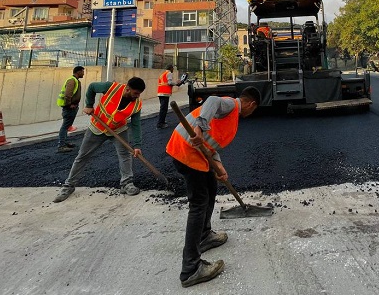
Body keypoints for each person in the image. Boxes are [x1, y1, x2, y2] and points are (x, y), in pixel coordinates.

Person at [166, 86, 261, 288]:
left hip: (196, 153)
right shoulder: (230, 104)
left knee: (211, 188)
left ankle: (204, 236)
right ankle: (190, 269)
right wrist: (200, 125)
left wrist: (219, 166)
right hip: (186, 152)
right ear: (251, 104)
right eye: (253, 110)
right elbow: (212, 101)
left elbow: (210, 143)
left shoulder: (231, 115)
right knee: (199, 204)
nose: (251, 114)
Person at [53, 77, 147, 203]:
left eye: (139, 94)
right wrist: (89, 105)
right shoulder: (111, 87)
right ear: (128, 89)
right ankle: (68, 186)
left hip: (118, 129)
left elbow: (136, 125)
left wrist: (137, 145)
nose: (137, 96)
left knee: (125, 155)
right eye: (136, 93)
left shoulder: (137, 104)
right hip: (97, 127)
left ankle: (127, 184)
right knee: (82, 156)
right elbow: (92, 87)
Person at [56, 66, 85, 153]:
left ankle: (64, 142)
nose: (83, 73)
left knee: (67, 126)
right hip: (69, 107)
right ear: (78, 72)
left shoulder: (75, 80)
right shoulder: (72, 80)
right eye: (82, 71)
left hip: (72, 107)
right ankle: (61, 146)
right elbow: (68, 94)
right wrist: (69, 104)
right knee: (65, 126)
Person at [157, 65, 184, 129]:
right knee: (164, 109)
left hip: (160, 93)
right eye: (173, 68)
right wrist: (177, 84)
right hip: (165, 93)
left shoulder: (163, 74)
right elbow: (169, 82)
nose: (173, 70)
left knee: (162, 108)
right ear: (171, 68)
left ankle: (162, 121)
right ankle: (160, 124)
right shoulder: (169, 73)